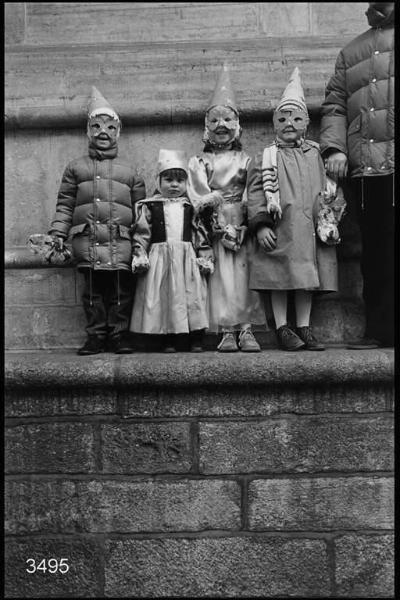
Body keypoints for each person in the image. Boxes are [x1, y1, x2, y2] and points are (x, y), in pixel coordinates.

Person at [246, 67, 342, 351]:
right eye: (283, 117)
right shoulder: (266, 157)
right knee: (279, 278)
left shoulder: (316, 154)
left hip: (309, 230)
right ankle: (282, 327)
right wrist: (261, 224)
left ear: (307, 122)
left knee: (305, 280)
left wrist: (331, 216)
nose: (289, 123)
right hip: (281, 227)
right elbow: (254, 193)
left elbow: (331, 189)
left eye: (296, 117)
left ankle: (304, 326)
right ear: (275, 123)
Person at [48, 86, 146, 355]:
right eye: (97, 126)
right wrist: (58, 233)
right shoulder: (75, 168)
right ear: (88, 131)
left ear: (118, 133)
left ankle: (118, 334)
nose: (103, 132)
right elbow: (65, 204)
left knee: (120, 292)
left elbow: (141, 212)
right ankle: (95, 336)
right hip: (87, 240)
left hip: (120, 242)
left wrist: (141, 245)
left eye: (110, 128)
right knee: (92, 294)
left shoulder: (131, 171)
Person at [320, 2, 394, 348]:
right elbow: (335, 104)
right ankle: (380, 329)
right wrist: (334, 149)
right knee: (375, 254)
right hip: (367, 169)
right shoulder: (351, 51)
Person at [187, 64, 265, 353]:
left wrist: (245, 222)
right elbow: (199, 193)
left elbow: (252, 189)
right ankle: (225, 330)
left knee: (244, 275)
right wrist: (213, 222)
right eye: (215, 120)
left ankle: (246, 328)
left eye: (227, 119)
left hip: (240, 222)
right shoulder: (200, 161)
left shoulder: (247, 159)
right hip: (216, 225)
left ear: (237, 124)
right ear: (207, 127)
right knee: (220, 277)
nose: (221, 125)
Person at [129, 149, 213, 353]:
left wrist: (204, 256)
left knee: (189, 296)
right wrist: (140, 253)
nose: (174, 185)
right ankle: (166, 336)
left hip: (186, 259)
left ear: (186, 184)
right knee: (164, 297)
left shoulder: (189, 207)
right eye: (168, 179)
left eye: (179, 181)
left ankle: (194, 337)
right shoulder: (150, 206)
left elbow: (198, 233)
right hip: (160, 259)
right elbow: (142, 232)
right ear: (159, 182)